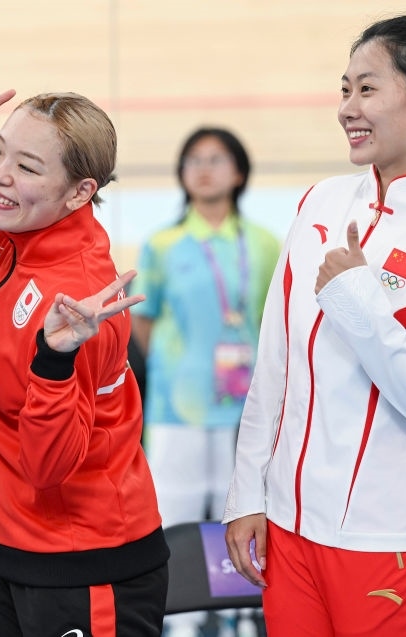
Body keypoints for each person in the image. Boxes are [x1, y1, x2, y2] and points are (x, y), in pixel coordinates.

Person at [222, 15, 406, 636]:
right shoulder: (319, 202)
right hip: (290, 531)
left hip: (392, 545)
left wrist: (358, 301)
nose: (348, 108)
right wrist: (248, 493)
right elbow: (274, 362)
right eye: (345, 89)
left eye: (368, 89)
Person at [0, 56, 170, 637]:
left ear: (79, 192)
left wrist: (54, 361)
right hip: (11, 545)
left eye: (28, 166)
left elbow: (49, 467)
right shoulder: (9, 229)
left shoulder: (82, 302)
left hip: (86, 563)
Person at [130, 126, 280, 637]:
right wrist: (184, 371)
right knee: (174, 512)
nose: (204, 169)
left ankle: (241, 618)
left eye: (216, 159)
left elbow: (272, 323)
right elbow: (144, 324)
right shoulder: (162, 244)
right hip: (178, 409)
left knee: (242, 512)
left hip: (248, 409)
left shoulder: (264, 244)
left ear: (239, 172)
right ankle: (181, 621)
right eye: (194, 160)